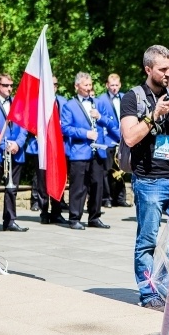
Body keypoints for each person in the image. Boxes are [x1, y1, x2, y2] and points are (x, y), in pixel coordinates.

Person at [119, 45, 169, 309]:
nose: (168, 74)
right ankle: (149, 293)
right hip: (149, 180)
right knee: (147, 241)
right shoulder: (133, 98)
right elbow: (130, 137)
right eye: (163, 69)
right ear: (148, 69)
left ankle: (168, 284)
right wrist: (154, 116)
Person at [61, 72, 113, 230]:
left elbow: (109, 123)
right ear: (77, 86)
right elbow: (65, 128)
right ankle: (74, 218)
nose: (89, 89)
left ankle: (94, 217)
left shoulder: (97, 103)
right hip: (80, 151)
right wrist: (85, 134)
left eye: (90, 85)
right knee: (79, 186)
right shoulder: (69, 105)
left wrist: (100, 117)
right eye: (85, 86)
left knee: (97, 185)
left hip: (97, 151)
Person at [0, 74, 28, 234]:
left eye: (11, 85)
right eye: (5, 85)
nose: (9, 88)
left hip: (15, 151)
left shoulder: (18, 103)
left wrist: (18, 143)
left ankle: (10, 220)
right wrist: (3, 144)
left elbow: (24, 126)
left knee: (12, 189)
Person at [37, 77, 69, 225]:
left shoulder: (63, 102)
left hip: (59, 146)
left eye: (55, 84)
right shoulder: (39, 103)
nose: (53, 87)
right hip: (44, 145)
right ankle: (44, 212)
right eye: (50, 84)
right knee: (43, 181)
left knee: (58, 177)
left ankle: (57, 212)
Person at [98, 73, 131, 208]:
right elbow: (102, 121)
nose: (114, 88)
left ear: (120, 85)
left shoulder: (125, 98)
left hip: (123, 139)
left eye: (117, 85)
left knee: (122, 169)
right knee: (107, 170)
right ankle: (107, 198)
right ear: (107, 85)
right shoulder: (101, 100)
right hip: (108, 140)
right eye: (112, 85)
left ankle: (120, 197)